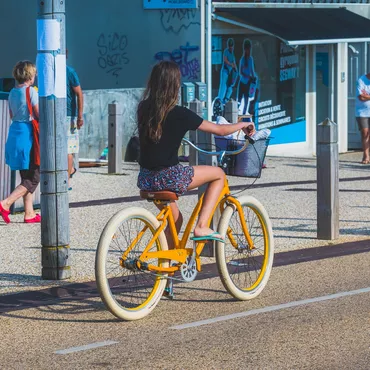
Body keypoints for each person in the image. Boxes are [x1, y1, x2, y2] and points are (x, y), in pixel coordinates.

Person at [137, 61, 252, 246]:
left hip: (145, 179)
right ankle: (202, 225)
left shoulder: (143, 108)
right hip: (168, 178)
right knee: (218, 175)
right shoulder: (181, 113)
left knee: (176, 221)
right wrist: (243, 124)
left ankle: (167, 265)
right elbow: (220, 130)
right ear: (175, 86)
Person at [0, 61, 41, 224]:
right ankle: (5, 203)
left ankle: (29, 213)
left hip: (15, 133)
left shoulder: (12, 92)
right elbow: (38, 114)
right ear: (30, 76)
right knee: (34, 176)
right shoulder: (31, 92)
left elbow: (11, 114)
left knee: (26, 175)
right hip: (28, 135)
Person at [66, 52, 84, 189]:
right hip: (61, 116)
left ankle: (67, 181)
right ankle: (70, 172)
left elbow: (79, 93)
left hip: (68, 116)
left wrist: (79, 116)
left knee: (68, 150)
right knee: (66, 150)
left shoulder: (69, 71)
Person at [237, 39, 258, 117]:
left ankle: (244, 113)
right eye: (247, 49)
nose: (248, 51)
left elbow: (252, 70)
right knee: (239, 99)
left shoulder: (250, 59)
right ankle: (237, 112)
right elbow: (240, 72)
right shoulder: (242, 59)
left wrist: (254, 77)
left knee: (246, 99)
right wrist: (248, 76)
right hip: (243, 82)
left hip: (248, 83)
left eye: (249, 49)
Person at [355, 72, 370, 164]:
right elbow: (361, 97)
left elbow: (364, 97)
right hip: (362, 112)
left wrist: (366, 96)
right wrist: (364, 96)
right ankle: (366, 156)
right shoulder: (361, 80)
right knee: (365, 133)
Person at [218, 38, 237, 104]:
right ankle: (220, 100)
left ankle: (225, 100)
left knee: (230, 87)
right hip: (225, 71)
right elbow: (225, 60)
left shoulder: (232, 54)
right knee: (223, 86)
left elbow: (234, 63)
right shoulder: (226, 51)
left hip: (230, 73)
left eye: (232, 46)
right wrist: (230, 64)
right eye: (230, 46)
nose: (231, 48)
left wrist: (235, 70)